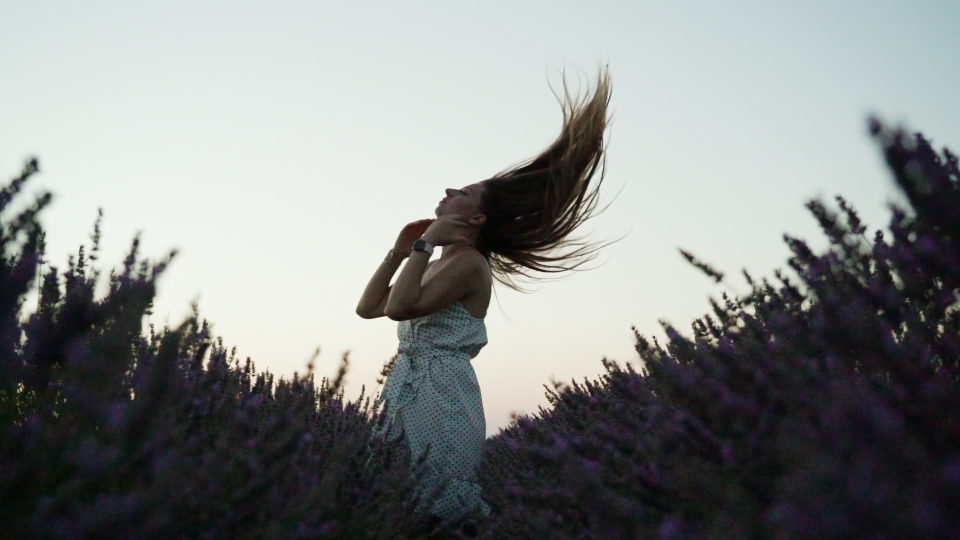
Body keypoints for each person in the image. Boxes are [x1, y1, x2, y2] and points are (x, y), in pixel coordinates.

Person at [355, 68, 612, 529]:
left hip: (441, 391)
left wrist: (425, 242)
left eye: (464, 193)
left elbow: (398, 309)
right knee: (396, 497)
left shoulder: (469, 265)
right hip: (410, 382)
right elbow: (368, 308)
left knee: (437, 506)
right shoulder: (434, 263)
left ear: (476, 220)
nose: (451, 191)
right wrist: (398, 252)